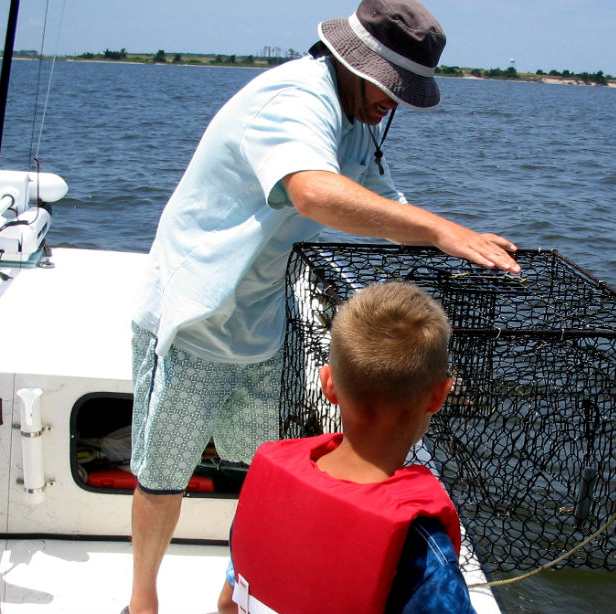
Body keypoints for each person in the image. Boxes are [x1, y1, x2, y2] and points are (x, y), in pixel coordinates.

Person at [127, 0, 518, 611]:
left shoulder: (355, 118)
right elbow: (312, 191)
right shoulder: (295, 98)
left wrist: (459, 237)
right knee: (162, 474)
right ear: (354, 62)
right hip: (194, 315)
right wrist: (440, 230)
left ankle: (234, 595)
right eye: (391, 87)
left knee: (265, 476)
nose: (395, 103)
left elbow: (386, 206)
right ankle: (142, 601)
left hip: (261, 323)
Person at [218, 281, 475, 614]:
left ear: (329, 384)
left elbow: (227, 603)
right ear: (439, 395)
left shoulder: (270, 486)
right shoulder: (423, 550)